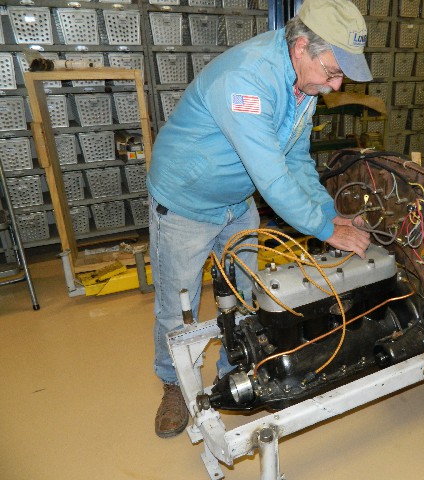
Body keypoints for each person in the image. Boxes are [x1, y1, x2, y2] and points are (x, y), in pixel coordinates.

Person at [147, 0, 372, 438]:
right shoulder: (246, 80)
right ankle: (173, 384)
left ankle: (237, 374)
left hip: (235, 201)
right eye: (332, 71)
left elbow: (298, 161)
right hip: (184, 202)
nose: (336, 84)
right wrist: (326, 231)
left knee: (247, 295)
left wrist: (332, 214)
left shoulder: (304, 86)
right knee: (178, 310)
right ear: (302, 46)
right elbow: (271, 176)